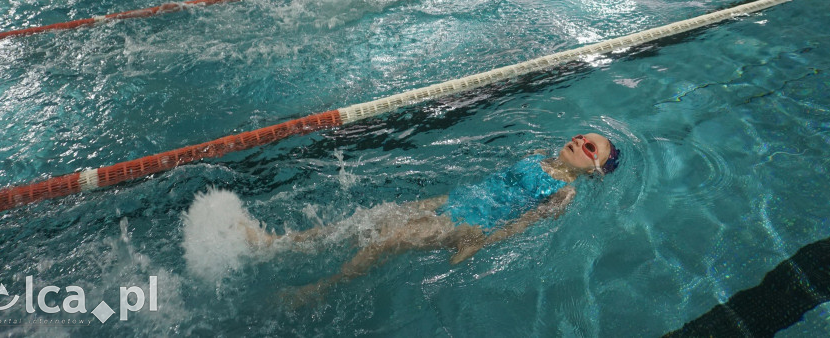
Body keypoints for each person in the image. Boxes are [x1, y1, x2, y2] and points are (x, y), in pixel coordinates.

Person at [205, 132, 621, 300]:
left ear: (596, 171)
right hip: (452, 204)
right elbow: (487, 185)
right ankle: (274, 244)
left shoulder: (564, 193)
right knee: (367, 221)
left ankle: (317, 288)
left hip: (470, 224)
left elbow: (522, 226)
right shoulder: (537, 157)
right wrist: (432, 201)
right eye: (582, 137)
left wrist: (479, 242)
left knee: (388, 240)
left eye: (590, 149)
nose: (580, 142)